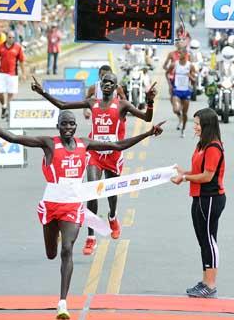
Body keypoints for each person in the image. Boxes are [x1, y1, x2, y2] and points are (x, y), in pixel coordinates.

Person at [0, 105, 164, 319]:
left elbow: (116, 145)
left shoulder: (84, 144)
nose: (68, 127)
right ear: (58, 126)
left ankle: (62, 303)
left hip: (72, 205)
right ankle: (56, 235)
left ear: (76, 126)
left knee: (67, 250)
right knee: (51, 254)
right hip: (51, 204)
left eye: (71, 124)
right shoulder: (49, 143)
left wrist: (148, 132)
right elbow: (13, 138)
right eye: (64, 124)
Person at [31, 73, 156, 255]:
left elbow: (146, 118)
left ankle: (112, 216)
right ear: (100, 84)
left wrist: (150, 101)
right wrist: (43, 93)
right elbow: (63, 105)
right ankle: (91, 237)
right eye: (104, 82)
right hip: (94, 153)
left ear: (115, 87)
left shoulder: (122, 105)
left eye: (111, 83)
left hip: (112, 152)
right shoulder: (92, 102)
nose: (107, 85)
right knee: (92, 190)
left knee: (111, 192)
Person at [171, 108, 226, 299]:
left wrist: (185, 178)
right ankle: (204, 281)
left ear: (206, 126)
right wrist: (183, 172)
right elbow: (197, 171)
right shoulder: (201, 145)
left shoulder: (213, 147)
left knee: (209, 240)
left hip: (211, 198)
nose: (194, 127)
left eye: (197, 124)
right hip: (198, 197)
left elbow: (207, 176)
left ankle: (211, 285)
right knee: (203, 240)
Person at [0, 30, 26, 120]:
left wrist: (24, 73)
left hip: (13, 74)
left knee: (11, 93)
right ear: (6, 37)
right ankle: (4, 105)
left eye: (13, 37)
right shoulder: (0, 47)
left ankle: (7, 110)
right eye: (9, 37)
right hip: (2, 73)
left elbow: (21, 61)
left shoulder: (18, 47)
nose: (11, 39)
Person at [166, 47, 196, 138]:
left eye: (181, 53)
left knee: (185, 113)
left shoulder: (190, 66)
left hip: (186, 91)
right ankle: (180, 118)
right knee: (176, 109)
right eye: (178, 53)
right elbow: (167, 73)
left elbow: (194, 80)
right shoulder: (174, 64)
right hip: (177, 90)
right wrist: (170, 85)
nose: (179, 55)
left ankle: (183, 130)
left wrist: (190, 76)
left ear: (185, 54)